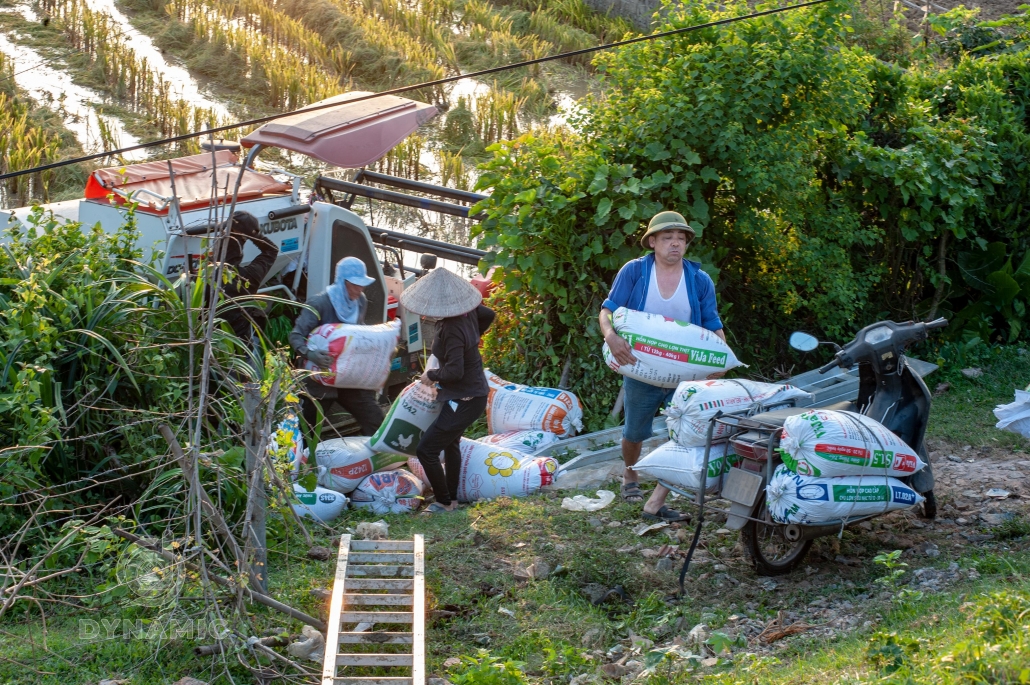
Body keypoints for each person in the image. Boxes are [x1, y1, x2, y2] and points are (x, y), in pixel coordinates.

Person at [599, 211, 727, 522]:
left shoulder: (698, 280)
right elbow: (608, 310)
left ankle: (658, 498)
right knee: (634, 431)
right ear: (653, 242)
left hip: (684, 372)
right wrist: (611, 337)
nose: (675, 243)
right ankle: (630, 476)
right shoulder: (635, 272)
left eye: (681, 238)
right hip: (641, 367)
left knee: (684, 434)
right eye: (668, 237)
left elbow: (712, 325)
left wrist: (722, 360)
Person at [399, 268, 489, 513]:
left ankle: (443, 502)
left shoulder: (451, 329)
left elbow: (455, 372)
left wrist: (431, 376)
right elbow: (488, 314)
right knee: (451, 444)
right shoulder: (468, 311)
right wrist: (473, 341)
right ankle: (452, 498)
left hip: (466, 398)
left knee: (426, 450)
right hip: (472, 392)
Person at [289, 257, 386, 436]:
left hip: (348, 374)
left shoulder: (360, 301)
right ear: (342, 282)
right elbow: (295, 336)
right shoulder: (319, 304)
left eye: (362, 285)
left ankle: (377, 459)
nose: (359, 289)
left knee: (374, 419)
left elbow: (357, 329)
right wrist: (310, 354)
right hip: (321, 378)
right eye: (354, 285)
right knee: (307, 430)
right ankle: (305, 462)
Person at [211, 211, 279, 347]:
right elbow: (271, 250)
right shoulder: (248, 278)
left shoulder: (201, 276)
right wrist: (254, 235)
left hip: (208, 346)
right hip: (240, 348)